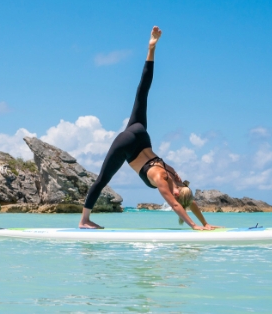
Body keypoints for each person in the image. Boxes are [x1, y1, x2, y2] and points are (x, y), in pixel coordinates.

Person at [80, 27, 218, 230]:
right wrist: (194, 226)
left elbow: (187, 202)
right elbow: (175, 204)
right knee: (101, 180)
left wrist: (205, 223)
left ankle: (151, 48)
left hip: (140, 134)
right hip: (127, 144)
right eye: (179, 194)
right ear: (180, 190)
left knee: (142, 91)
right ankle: (84, 221)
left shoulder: (175, 178)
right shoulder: (163, 179)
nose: (177, 194)